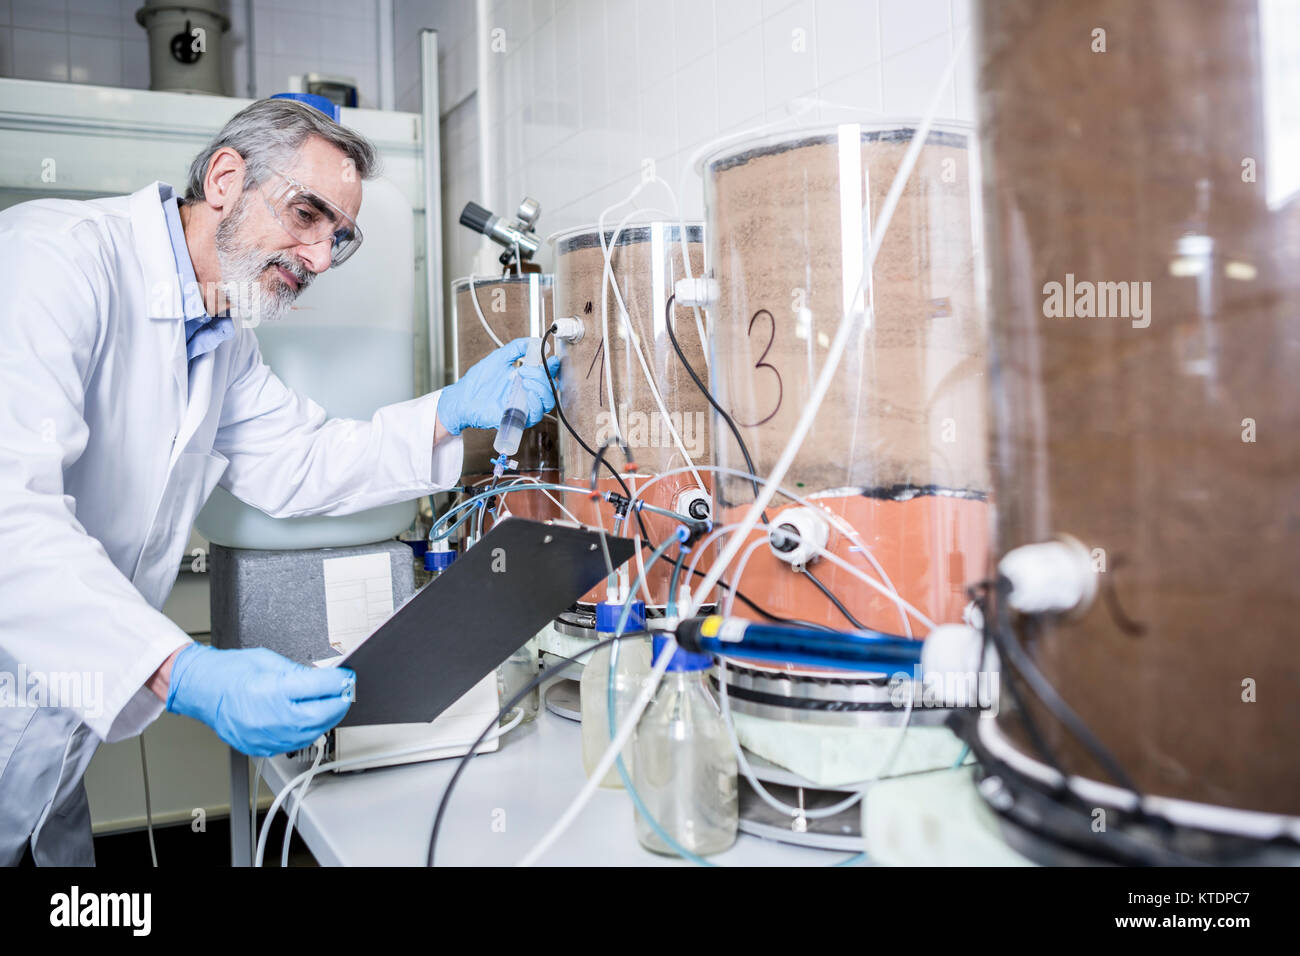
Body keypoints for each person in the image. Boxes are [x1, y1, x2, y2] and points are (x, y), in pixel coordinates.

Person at [0, 98, 559, 865]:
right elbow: (10, 524)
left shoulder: (221, 337)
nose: (321, 258)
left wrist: (453, 412)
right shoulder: (53, 261)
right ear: (226, 179)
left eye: (341, 238)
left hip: (57, 732)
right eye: (307, 213)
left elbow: (303, 462)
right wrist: (183, 671)